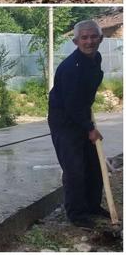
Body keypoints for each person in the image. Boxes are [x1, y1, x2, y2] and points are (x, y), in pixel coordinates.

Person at [48, 20, 107, 229]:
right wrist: (89, 128)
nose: (89, 41)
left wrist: (87, 122)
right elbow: (71, 104)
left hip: (81, 115)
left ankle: (92, 206)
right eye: (84, 37)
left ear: (101, 38)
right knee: (75, 169)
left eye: (93, 36)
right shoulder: (71, 68)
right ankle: (77, 214)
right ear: (76, 41)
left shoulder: (95, 58)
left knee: (94, 165)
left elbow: (84, 96)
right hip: (64, 121)